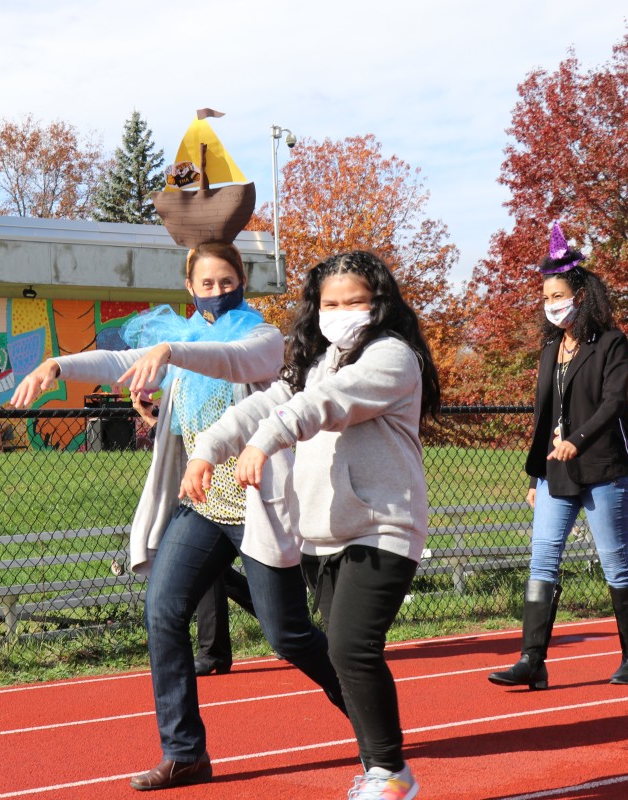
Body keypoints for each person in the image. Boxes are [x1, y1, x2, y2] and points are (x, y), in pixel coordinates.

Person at [11, 241, 345, 791]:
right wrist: (57, 364)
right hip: (201, 505)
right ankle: (185, 752)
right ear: (189, 289)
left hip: (256, 507)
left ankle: (364, 709)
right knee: (163, 611)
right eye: (206, 284)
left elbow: (233, 361)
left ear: (242, 281)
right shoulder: (182, 339)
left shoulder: (262, 338)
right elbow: (123, 362)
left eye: (226, 281)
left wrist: (170, 352)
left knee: (287, 635)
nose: (217, 292)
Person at [182, 250, 439, 800]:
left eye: (355, 301)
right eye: (331, 303)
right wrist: (208, 449)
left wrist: (267, 440)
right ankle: (380, 769)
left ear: (379, 304)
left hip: (382, 526)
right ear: (315, 308)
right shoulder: (316, 361)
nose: (342, 311)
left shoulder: (393, 357)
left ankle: (391, 774)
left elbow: (329, 403)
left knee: (351, 647)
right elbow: (268, 402)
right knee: (342, 655)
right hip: (321, 533)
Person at [488, 222, 628, 692]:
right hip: (556, 473)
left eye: (558, 294)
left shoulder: (611, 342)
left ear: (581, 294)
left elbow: (613, 402)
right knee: (543, 561)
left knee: (615, 562)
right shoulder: (549, 350)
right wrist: (537, 474)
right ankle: (531, 661)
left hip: (603, 469)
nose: (551, 304)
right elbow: (544, 419)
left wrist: (577, 439)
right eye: (545, 297)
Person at [132, 390, 257, 676]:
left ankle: (288, 627)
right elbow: (180, 442)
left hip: (235, 493)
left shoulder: (220, 383)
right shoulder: (184, 390)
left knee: (282, 619)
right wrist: (150, 417)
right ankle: (215, 650)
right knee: (205, 569)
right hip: (199, 496)